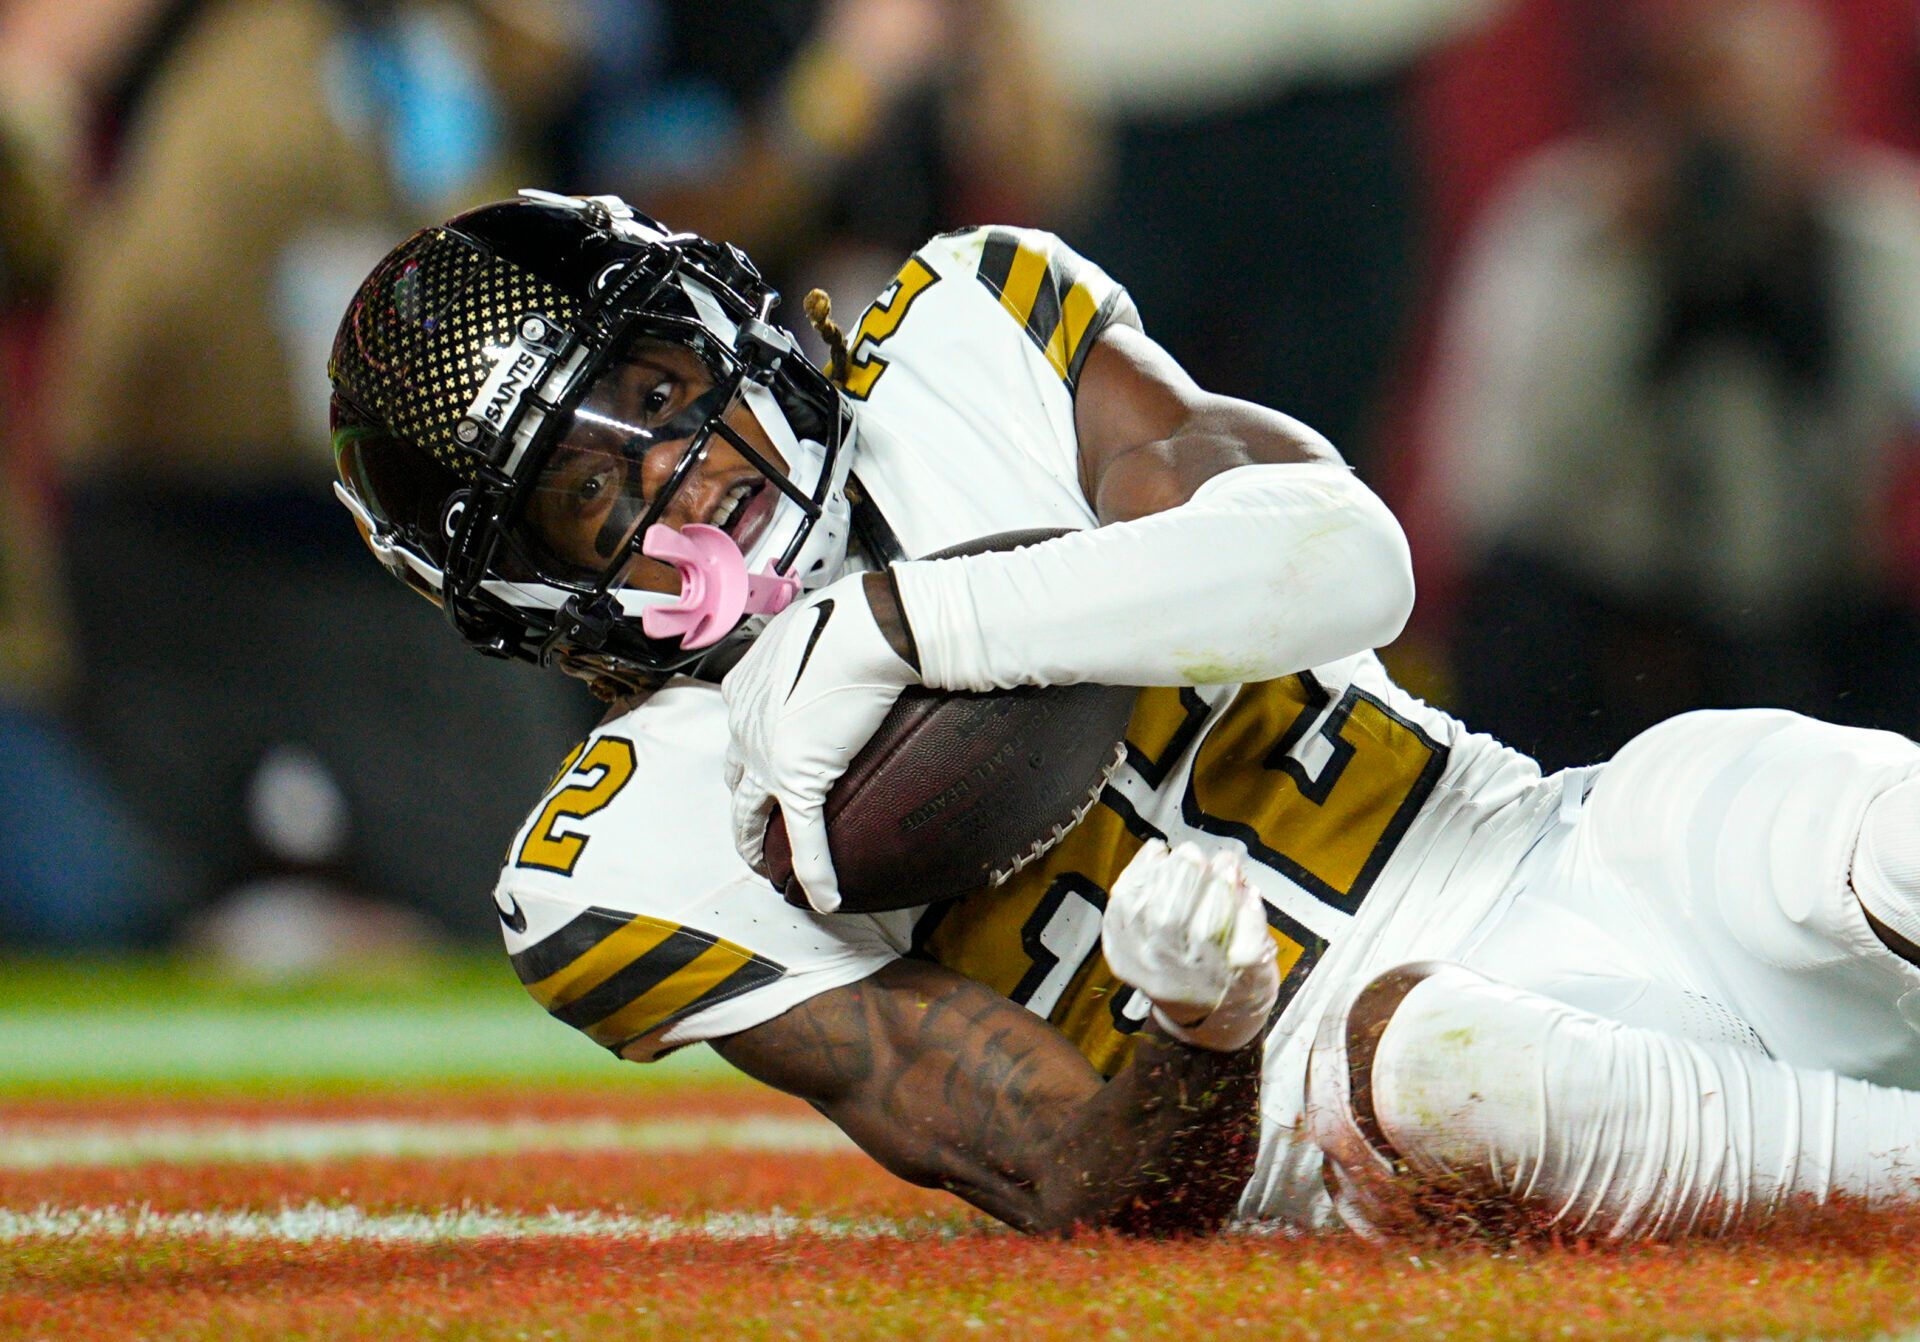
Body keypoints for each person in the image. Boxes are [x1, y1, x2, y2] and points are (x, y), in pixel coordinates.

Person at [329, 190, 1920, 1239]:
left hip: (1544, 837)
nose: (681, 470)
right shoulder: (629, 855)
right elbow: (1070, 1183)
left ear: (725, 326)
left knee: (1798, 796)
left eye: (665, 393)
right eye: (592, 489)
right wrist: (1206, 1033)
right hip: (1333, 1111)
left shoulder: (966, 329)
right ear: (532, 594)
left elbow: (1350, 563)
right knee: (1423, 1059)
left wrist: (917, 623)